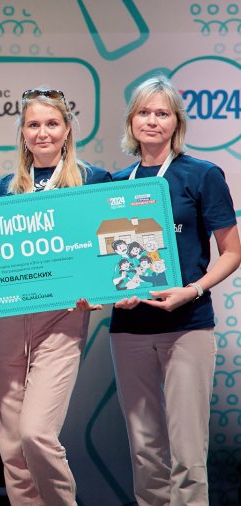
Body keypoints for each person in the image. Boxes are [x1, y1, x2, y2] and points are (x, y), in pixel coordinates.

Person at [0, 87, 111, 505]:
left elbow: (110, 248)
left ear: (67, 129)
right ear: (23, 132)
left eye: (51, 123)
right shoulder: (6, 187)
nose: (42, 132)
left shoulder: (93, 181)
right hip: (4, 325)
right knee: (12, 447)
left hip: (61, 321)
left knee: (36, 434)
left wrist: (99, 288)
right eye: (33, 124)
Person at [110, 75, 240, 506]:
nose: (152, 121)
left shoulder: (202, 175)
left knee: (188, 452)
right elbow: (104, 260)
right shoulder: (115, 182)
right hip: (130, 328)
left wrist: (193, 290)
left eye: (162, 113)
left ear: (176, 123)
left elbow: (232, 252)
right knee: (144, 450)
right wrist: (110, 293)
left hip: (188, 326)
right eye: (144, 112)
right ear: (131, 122)